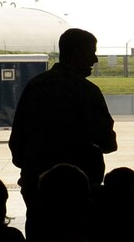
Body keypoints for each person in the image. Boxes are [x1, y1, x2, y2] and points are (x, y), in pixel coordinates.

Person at [8, 28, 117, 217]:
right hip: (77, 191)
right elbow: (107, 143)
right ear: (76, 54)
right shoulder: (87, 91)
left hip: (36, 186)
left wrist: (32, 170)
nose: (95, 60)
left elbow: (17, 140)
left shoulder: (35, 86)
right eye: (91, 52)